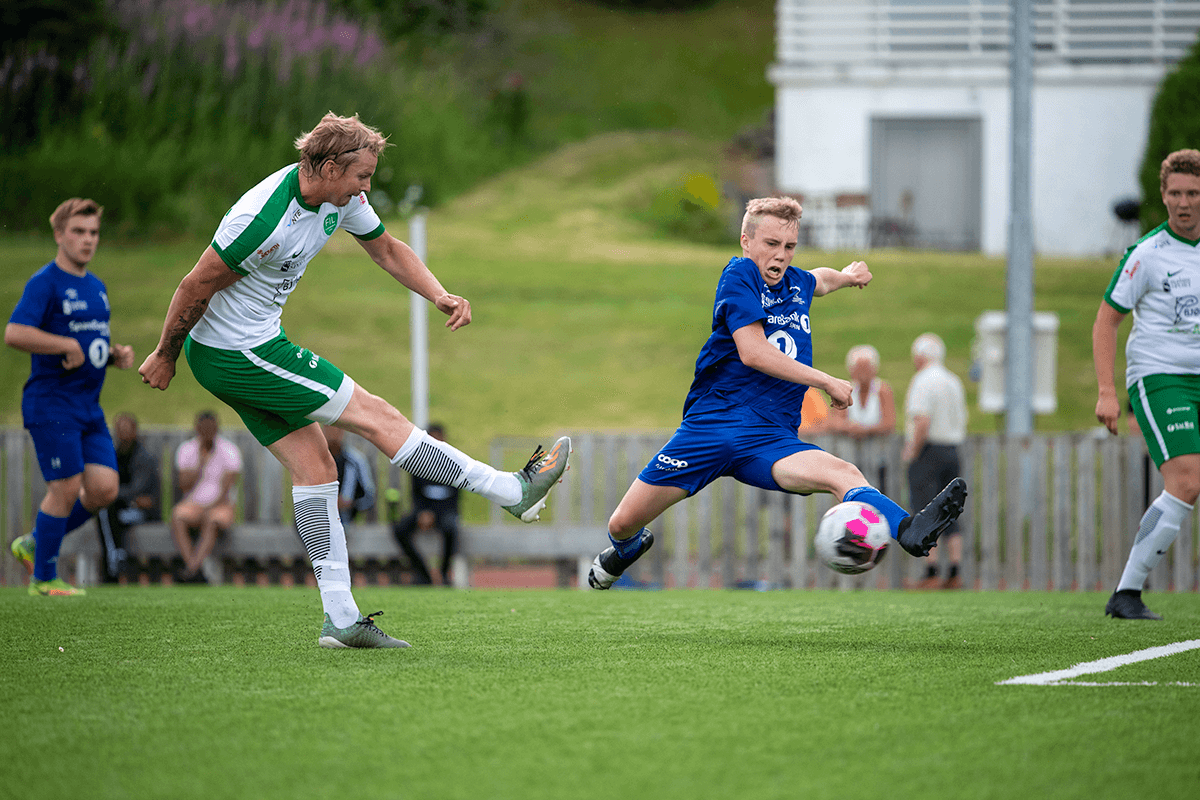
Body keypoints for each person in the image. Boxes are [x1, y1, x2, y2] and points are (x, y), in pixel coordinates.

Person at [138, 112, 570, 647]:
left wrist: (438, 293)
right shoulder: (260, 218)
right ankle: (511, 490)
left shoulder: (338, 200)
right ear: (325, 166)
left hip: (245, 349)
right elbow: (195, 284)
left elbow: (387, 249)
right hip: (236, 352)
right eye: (361, 176)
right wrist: (163, 354)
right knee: (375, 414)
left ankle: (340, 620)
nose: (367, 188)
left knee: (317, 468)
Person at [586, 196, 967, 590]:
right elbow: (753, 353)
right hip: (711, 429)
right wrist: (825, 380)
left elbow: (818, 280)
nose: (780, 256)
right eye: (771, 244)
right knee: (623, 523)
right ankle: (626, 549)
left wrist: (847, 275)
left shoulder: (796, 282)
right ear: (746, 241)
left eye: (789, 247)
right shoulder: (739, 276)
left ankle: (909, 529)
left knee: (844, 473)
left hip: (770, 439)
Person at [5, 198, 136, 596]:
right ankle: (43, 578)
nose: (87, 240)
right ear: (59, 234)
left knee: (103, 489)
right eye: (78, 232)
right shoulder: (44, 283)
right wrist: (62, 343)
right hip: (51, 403)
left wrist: (112, 356)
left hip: (88, 408)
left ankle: (33, 543)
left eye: (93, 232)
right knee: (64, 488)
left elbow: (87, 346)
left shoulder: (97, 288)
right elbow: (14, 333)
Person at [1093, 147, 1200, 620]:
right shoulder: (1147, 255)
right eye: (1175, 193)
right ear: (1163, 195)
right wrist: (1108, 391)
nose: (1184, 202)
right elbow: (1106, 321)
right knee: (1187, 479)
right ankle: (1127, 593)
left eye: (1193, 193)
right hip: (1160, 377)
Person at [901, 333, 968, 590]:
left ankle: (931, 572)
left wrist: (911, 451)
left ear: (919, 356)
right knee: (951, 510)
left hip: (928, 451)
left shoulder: (922, 381)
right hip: (952, 448)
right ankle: (954, 570)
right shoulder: (953, 380)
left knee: (927, 511)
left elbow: (922, 421)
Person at [170, 411, 242, 584]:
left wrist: (208, 508)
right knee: (177, 516)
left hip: (220, 505)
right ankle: (194, 570)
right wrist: (201, 464)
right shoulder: (187, 450)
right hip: (193, 504)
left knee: (211, 521)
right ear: (197, 429)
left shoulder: (229, 450)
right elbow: (183, 484)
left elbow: (227, 489)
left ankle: (191, 570)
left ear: (217, 428)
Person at [95, 412, 161, 583]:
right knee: (106, 512)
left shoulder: (143, 458)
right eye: (119, 429)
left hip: (145, 513)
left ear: (135, 431)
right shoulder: (115, 455)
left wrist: (112, 493)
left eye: (126, 429)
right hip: (124, 509)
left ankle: (114, 563)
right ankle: (117, 556)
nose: (122, 433)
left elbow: (136, 490)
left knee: (106, 513)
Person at [392, 423, 461, 586]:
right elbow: (416, 493)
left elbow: (455, 495)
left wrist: (435, 512)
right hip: (424, 510)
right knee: (400, 529)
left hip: (446, 510)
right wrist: (423, 511)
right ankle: (423, 574)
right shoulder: (418, 464)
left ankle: (444, 575)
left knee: (450, 528)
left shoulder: (454, 462)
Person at [828, 343, 897, 492]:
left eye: (866, 368)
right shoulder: (845, 390)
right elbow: (835, 421)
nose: (862, 373)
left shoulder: (883, 390)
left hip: (879, 457)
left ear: (874, 369)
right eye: (858, 368)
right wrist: (850, 427)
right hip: (852, 458)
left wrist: (865, 430)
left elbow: (889, 423)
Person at [322, 424, 377, 524]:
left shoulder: (355, 461)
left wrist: (349, 504)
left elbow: (369, 496)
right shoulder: (315, 461)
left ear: (343, 432)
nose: (333, 433)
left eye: (337, 428)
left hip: (349, 520)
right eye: (328, 428)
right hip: (318, 518)